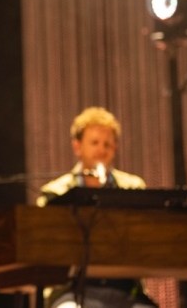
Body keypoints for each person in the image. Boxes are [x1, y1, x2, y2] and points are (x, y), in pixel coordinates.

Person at [37, 106, 158, 308]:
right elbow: (44, 247)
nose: (101, 150)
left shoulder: (134, 187)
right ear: (77, 146)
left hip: (126, 291)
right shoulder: (55, 193)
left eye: (107, 144)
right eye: (94, 143)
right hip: (70, 292)